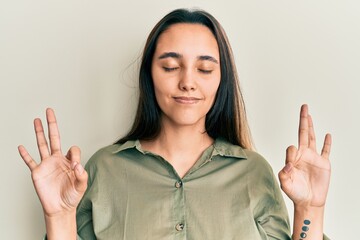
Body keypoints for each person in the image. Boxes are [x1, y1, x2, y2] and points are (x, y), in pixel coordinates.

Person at [18, 8, 332, 240]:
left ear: (222, 80)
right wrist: (58, 217)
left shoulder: (253, 172)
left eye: (205, 69)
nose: (187, 82)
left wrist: (310, 210)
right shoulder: (104, 169)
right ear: (148, 75)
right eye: (170, 66)